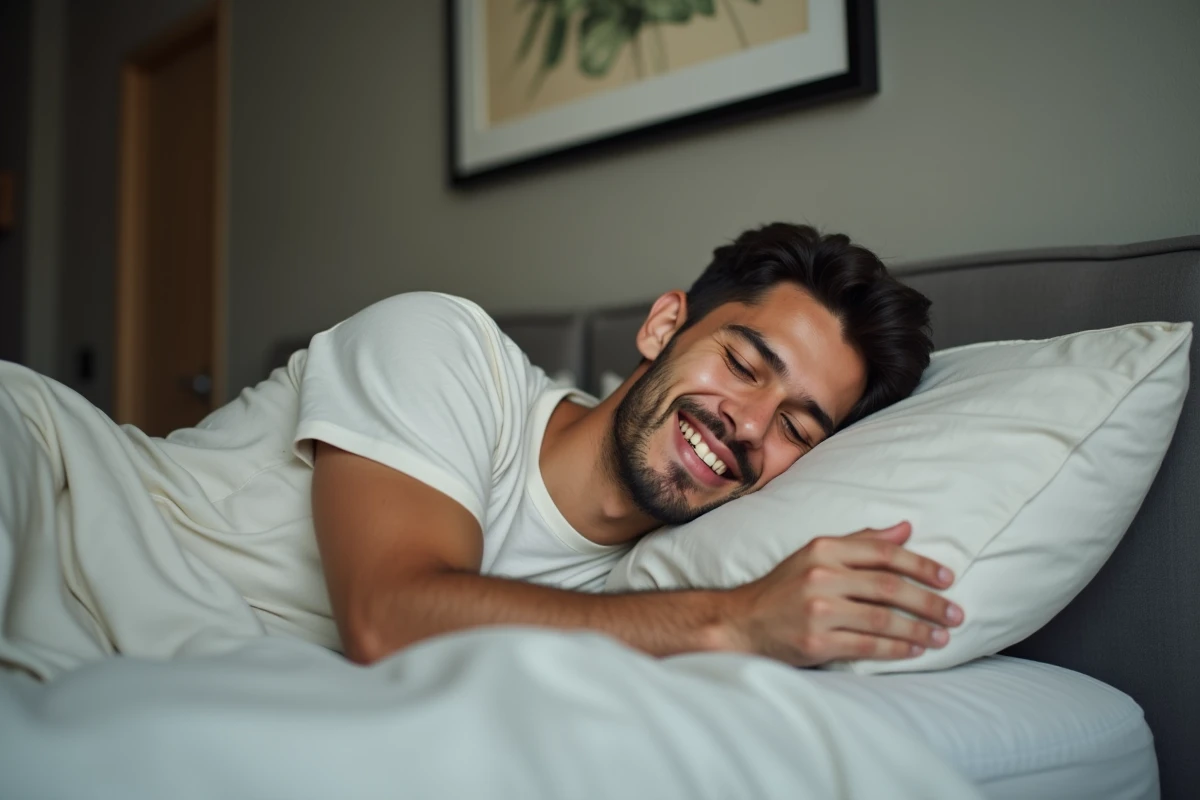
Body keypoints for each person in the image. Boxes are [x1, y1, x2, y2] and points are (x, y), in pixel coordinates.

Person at [0, 222, 963, 679]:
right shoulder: (445, 345)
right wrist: (738, 619)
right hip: (49, 489)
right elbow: (388, 615)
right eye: (744, 363)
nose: (750, 425)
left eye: (800, 427)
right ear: (665, 324)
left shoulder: (637, 592)